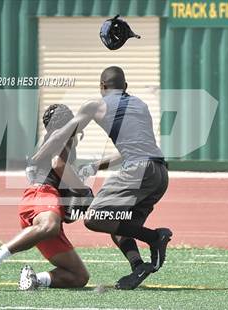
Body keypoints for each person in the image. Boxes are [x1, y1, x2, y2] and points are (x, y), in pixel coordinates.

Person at [32, 66, 172, 290]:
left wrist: (37, 156)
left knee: (94, 217)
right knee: (117, 223)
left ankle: (155, 237)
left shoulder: (95, 104)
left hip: (138, 170)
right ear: (125, 87)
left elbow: (61, 134)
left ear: (102, 87)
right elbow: (134, 148)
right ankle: (138, 266)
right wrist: (96, 165)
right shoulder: (140, 105)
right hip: (160, 174)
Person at [0, 104, 92, 291]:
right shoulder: (62, 138)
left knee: (78, 276)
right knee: (49, 226)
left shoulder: (49, 140)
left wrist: (72, 202)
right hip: (43, 196)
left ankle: (35, 279)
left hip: (42, 204)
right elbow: (58, 164)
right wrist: (83, 191)